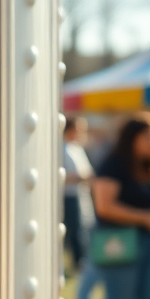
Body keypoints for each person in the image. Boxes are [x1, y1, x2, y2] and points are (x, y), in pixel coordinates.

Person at [76, 114, 150, 299]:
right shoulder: (113, 164)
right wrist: (145, 217)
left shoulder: (147, 168)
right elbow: (105, 206)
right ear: (133, 138)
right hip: (118, 245)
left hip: (146, 245)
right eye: (149, 136)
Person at [63, 116, 94, 272]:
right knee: (75, 229)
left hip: (81, 193)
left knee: (83, 228)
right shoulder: (61, 148)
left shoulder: (77, 148)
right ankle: (78, 262)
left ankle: (82, 260)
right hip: (68, 195)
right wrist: (81, 178)